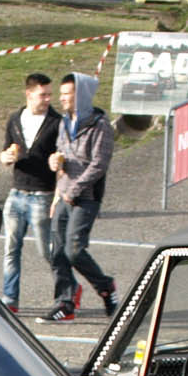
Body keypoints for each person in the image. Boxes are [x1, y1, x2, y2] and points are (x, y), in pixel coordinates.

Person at [43, 73, 118, 322]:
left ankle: (105, 286)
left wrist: (74, 190)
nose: (62, 99)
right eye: (62, 94)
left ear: (81, 96)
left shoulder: (100, 125)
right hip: (63, 193)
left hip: (86, 196)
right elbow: (61, 153)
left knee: (74, 250)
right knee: (56, 251)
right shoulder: (65, 122)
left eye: (68, 94)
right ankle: (65, 302)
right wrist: (54, 162)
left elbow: (99, 165)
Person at [0, 72, 61, 314]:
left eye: (49, 95)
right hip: (16, 193)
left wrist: (56, 194)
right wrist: (5, 157)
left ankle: (67, 290)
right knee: (11, 248)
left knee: (47, 249)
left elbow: (62, 158)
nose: (46, 99)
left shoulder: (56, 122)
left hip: (42, 194)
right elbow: (5, 152)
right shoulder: (15, 119)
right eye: (42, 95)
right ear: (28, 94)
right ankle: (10, 298)